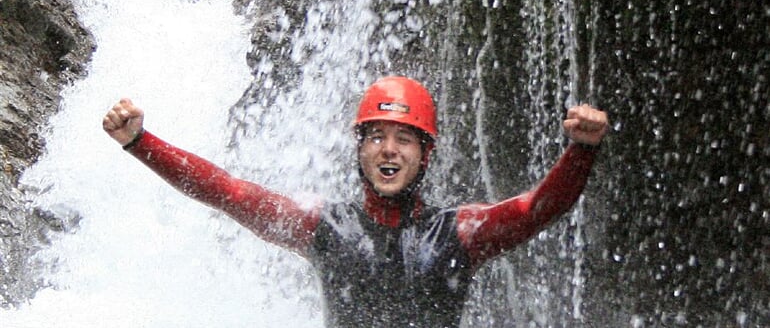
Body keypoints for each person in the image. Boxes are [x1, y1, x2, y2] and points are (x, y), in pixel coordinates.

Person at [102, 76, 608, 328]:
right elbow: (228, 191)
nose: (389, 149)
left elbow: (537, 209)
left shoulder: (459, 233)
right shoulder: (324, 226)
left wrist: (581, 150)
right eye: (376, 137)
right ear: (359, 148)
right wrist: (141, 142)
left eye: (404, 139)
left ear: (426, 153)